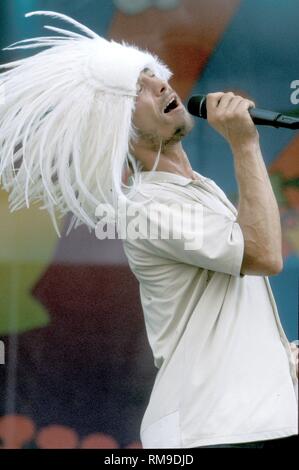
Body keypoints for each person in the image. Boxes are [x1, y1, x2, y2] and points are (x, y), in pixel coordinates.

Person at [0, 11, 298, 449]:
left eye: (153, 76)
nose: (161, 84)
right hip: (211, 432)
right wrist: (245, 143)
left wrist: (273, 363)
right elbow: (264, 255)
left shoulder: (198, 190)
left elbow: (219, 305)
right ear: (116, 123)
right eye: (137, 88)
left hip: (245, 422)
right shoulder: (147, 205)